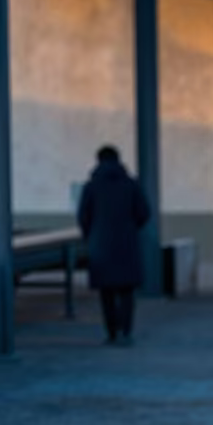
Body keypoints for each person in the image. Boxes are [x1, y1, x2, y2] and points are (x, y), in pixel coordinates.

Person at [77, 146, 151, 345]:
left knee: (106, 293)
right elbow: (144, 213)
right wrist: (130, 227)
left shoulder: (91, 186)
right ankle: (126, 331)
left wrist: (90, 236)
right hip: (127, 243)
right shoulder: (131, 185)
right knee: (127, 292)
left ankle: (111, 333)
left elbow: (83, 216)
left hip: (101, 245)